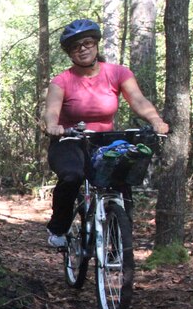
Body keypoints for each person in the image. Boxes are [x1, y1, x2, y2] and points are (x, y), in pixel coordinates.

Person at [41, 18, 169, 247]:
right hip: (70, 139)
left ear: (96, 44)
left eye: (87, 43)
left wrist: (155, 119)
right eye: (75, 46)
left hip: (104, 141)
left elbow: (138, 100)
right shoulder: (62, 81)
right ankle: (58, 227)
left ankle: (119, 236)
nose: (82, 49)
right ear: (69, 53)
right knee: (72, 176)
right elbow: (51, 111)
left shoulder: (118, 73)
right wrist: (53, 126)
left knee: (122, 177)